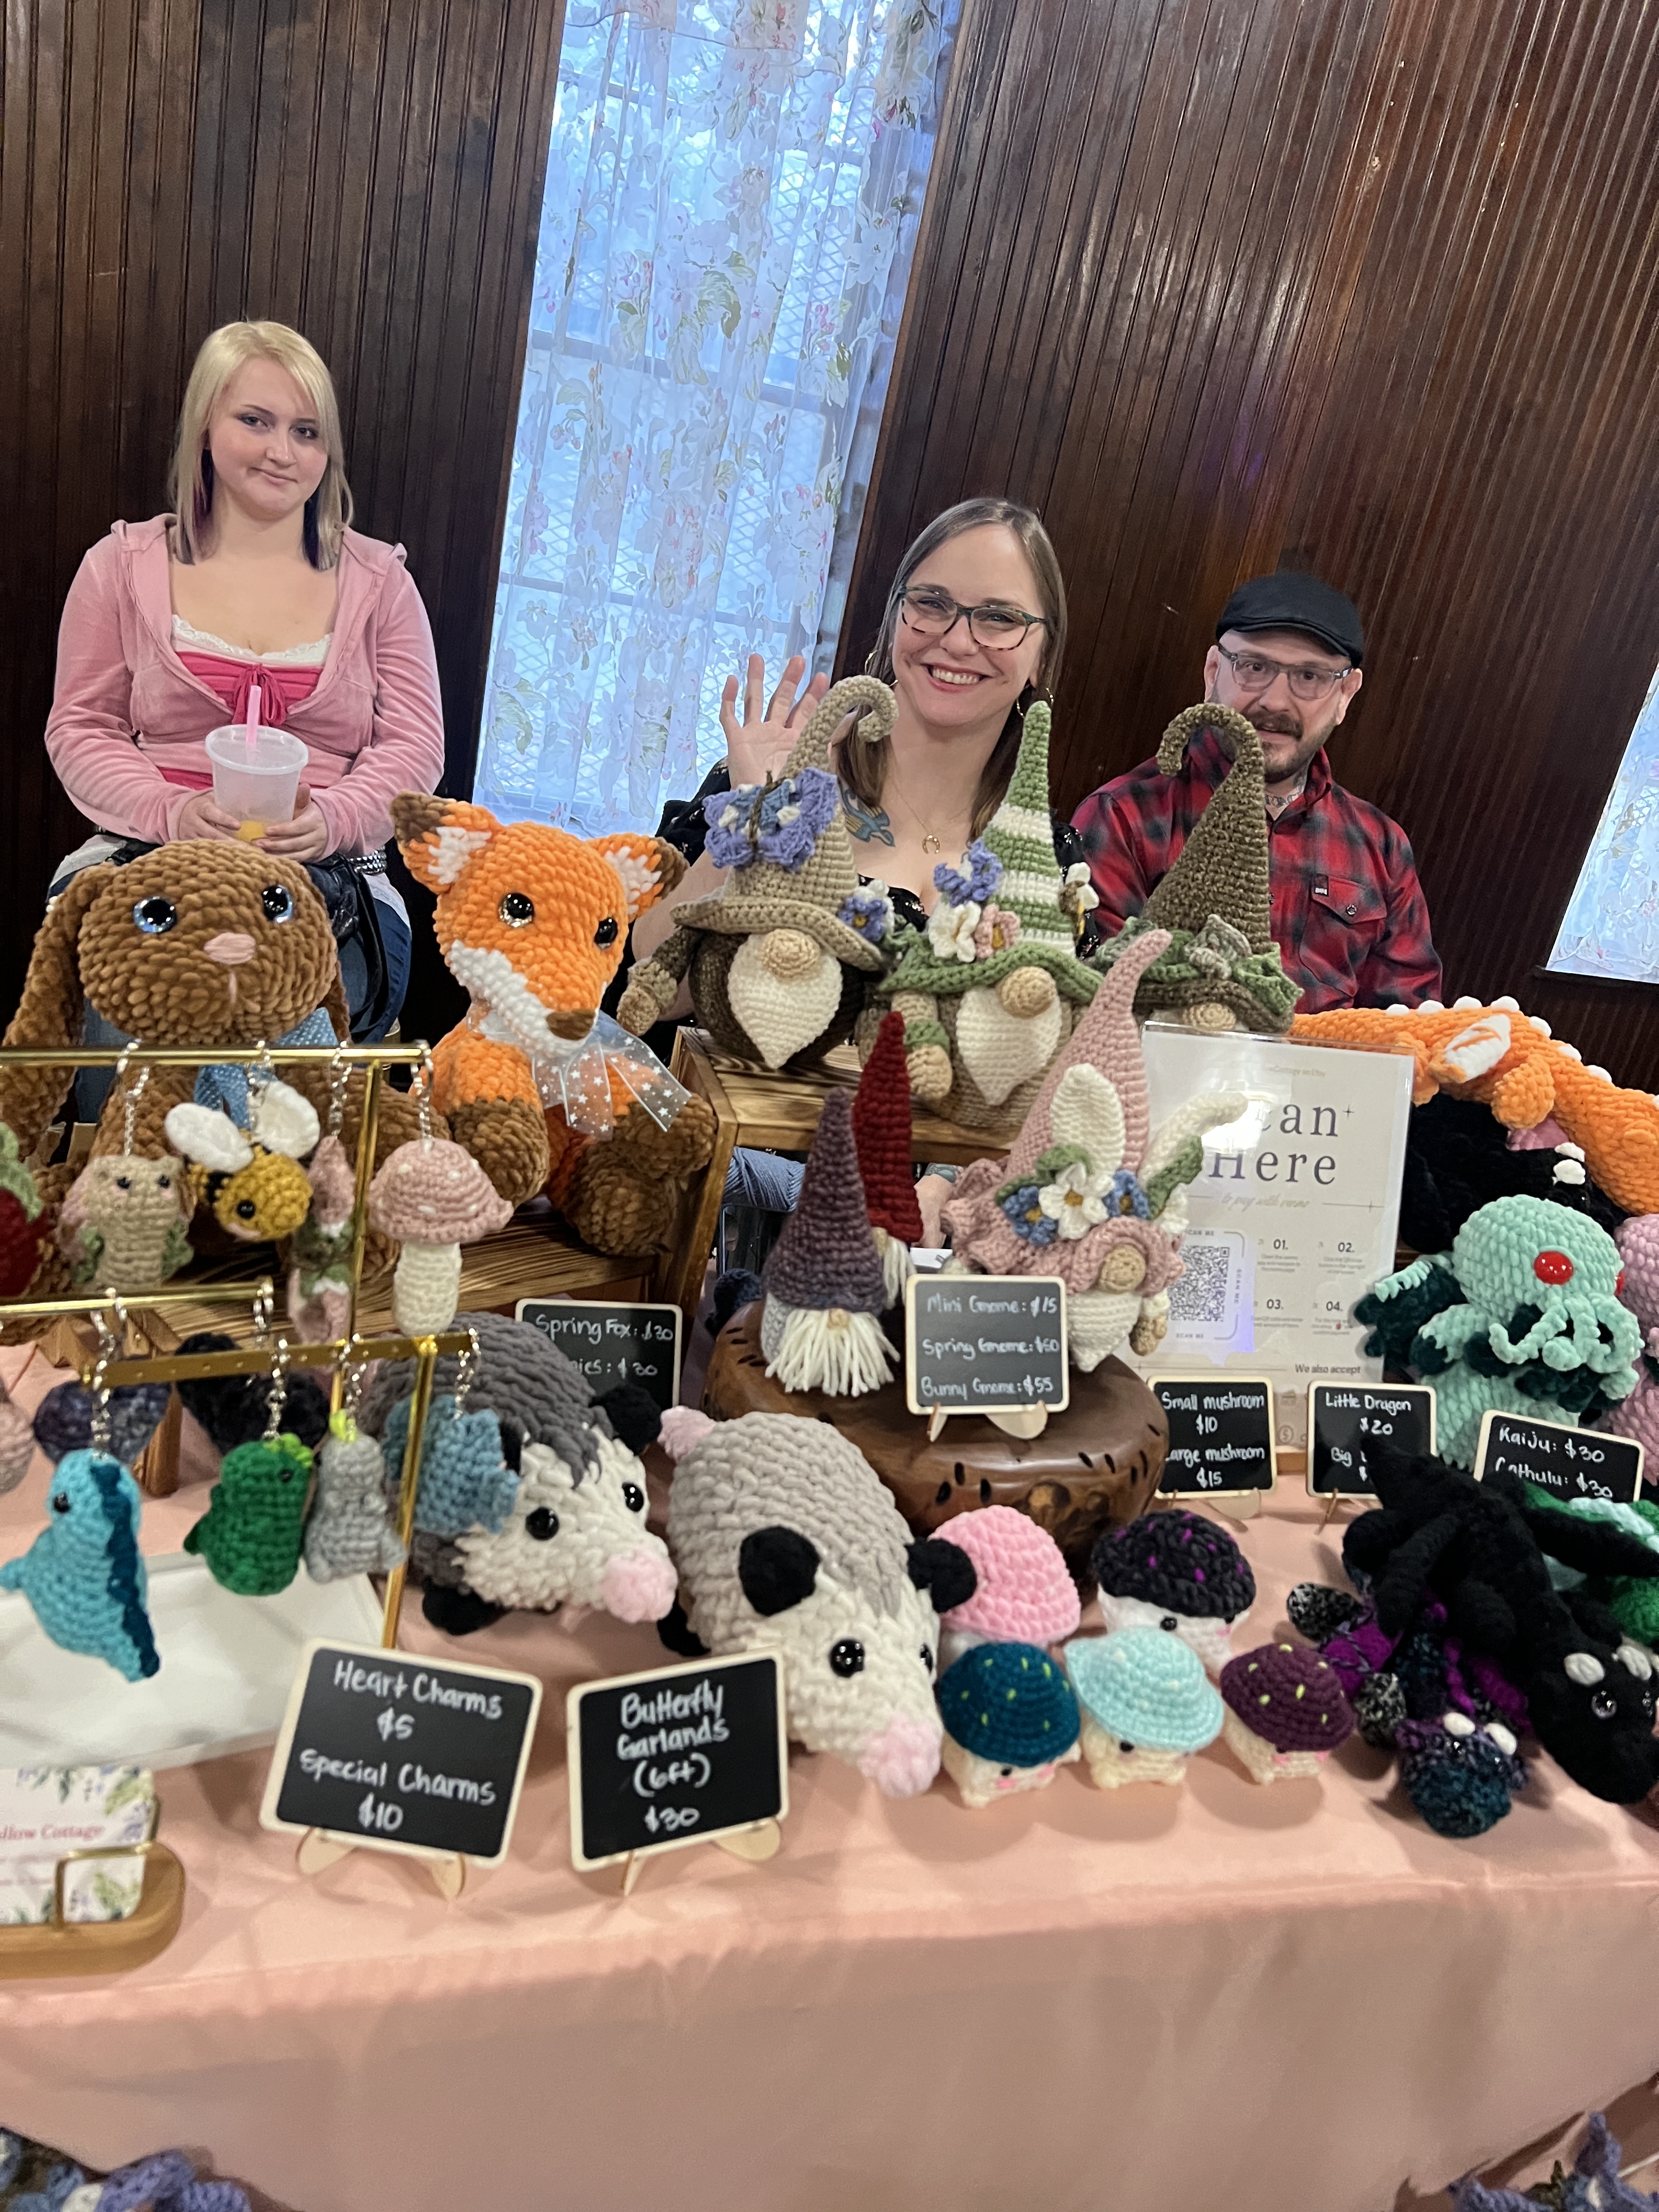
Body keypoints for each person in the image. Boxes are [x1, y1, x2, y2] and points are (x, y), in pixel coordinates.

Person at [629, 495, 1099, 1244]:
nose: (957, 639)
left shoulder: (1050, 861)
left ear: (1043, 652)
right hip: (719, 1200)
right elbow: (652, 987)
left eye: (999, 618)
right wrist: (760, 814)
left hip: (923, 1235)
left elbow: (1053, 1077)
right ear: (894, 618)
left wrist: (947, 1186)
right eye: (931, 603)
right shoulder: (790, 770)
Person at [43, 318, 445, 1044]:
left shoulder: (383, 585)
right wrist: (171, 812)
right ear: (205, 425)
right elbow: (81, 728)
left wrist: (333, 820)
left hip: (332, 876)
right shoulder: (120, 567)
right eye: (255, 421)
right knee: (132, 1004)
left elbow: (415, 749)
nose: (281, 451)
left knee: (293, 1019)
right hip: (147, 854)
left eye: (306, 432)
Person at [1071, 573, 1442, 1012]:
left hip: (1332, 1058)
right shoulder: (1121, 818)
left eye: (1309, 676)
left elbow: (1407, 1025)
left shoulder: (1383, 847)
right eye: (1254, 667)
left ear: (1345, 694)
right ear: (1213, 672)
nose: (1275, 702)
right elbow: (1100, 1005)